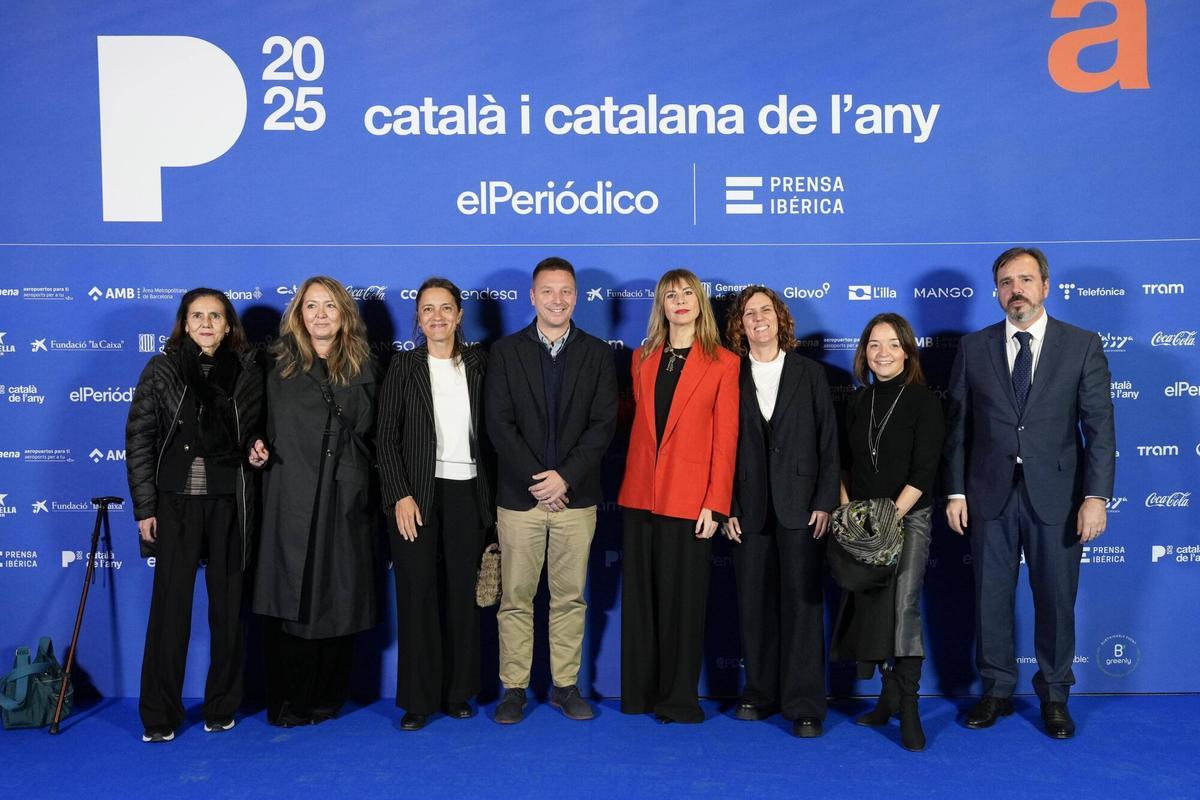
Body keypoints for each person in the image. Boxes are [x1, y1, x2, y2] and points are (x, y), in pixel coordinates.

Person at [944, 247, 1115, 739]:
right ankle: (996, 690)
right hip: (987, 494)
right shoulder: (974, 348)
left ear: (1045, 286)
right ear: (997, 292)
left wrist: (1095, 497)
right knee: (990, 598)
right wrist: (955, 491)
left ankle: (1055, 695)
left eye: (1024, 280)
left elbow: (1099, 428)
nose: (1014, 290)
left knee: (1057, 600)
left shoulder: (1081, 344)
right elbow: (958, 427)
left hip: (1058, 498)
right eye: (1005, 282)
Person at [126, 288, 263, 743]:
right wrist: (145, 508)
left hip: (229, 501)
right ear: (184, 323)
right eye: (197, 316)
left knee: (227, 611)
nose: (206, 323)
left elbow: (255, 430)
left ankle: (222, 705)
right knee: (170, 612)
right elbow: (140, 440)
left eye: (216, 316)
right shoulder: (162, 369)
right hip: (175, 504)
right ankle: (159, 715)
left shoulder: (246, 369)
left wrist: (257, 448)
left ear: (228, 326)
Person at [484, 256, 618, 724]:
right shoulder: (504, 352)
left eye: (565, 291)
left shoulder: (599, 355)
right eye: (548, 291)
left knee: (569, 598)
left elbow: (603, 426)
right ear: (532, 296)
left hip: (576, 500)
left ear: (576, 297)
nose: (557, 300)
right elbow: (499, 426)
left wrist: (566, 478)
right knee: (515, 599)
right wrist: (541, 482)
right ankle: (514, 689)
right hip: (520, 500)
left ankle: (565, 686)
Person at [250, 276, 379, 727]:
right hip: (290, 495)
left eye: (329, 306)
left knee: (337, 596)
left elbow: (383, 435)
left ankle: (328, 696)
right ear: (298, 314)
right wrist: (255, 443)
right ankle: (289, 700)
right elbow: (252, 422)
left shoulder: (367, 366)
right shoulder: (275, 364)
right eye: (311, 306)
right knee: (290, 596)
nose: (320, 314)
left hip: (346, 498)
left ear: (344, 313)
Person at [618, 268, 740, 724]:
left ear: (700, 302)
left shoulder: (724, 362)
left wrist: (716, 501)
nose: (681, 301)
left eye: (688, 293)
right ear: (662, 306)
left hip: (691, 502)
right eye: (672, 295)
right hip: (639, 497)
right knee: (642, 601)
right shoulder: (641, 357)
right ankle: (638, 696)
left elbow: (725, 440)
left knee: (683, 605)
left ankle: (678, 700)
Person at [721, 286, 838, 738]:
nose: (758, 319)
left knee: (803, 608)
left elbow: (829, 442)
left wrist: (825, 500)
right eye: (749, 313)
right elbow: (719, 447)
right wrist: (725, 505)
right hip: (747, 510)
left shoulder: (810, 374)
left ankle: (805, 702)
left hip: (802, 509)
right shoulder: (728, 375)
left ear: (780, 318)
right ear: (740, 325)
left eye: (765, 310)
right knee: (753, 606)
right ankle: (759, 692)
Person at [377, 277, 493, 731]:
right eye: (428, 309)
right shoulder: (403, 367)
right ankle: (419, 700)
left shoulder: (482, 364)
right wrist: (399, 495)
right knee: (417, 594)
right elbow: (384, 437)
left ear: (460, 315)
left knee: (462, 595)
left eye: (446, 308)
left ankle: (459, 692)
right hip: (416, 496)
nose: (438, 317)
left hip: (468, 492)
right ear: (418, 318)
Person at [836, 312, 944, 751]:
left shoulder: (925, 402)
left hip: (909, 516)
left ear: (907, 352)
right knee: (874, 611)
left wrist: (889, 519)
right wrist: (850, 516)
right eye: (874, 344)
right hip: (862, 521)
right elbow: (843, 463)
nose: (883, 352)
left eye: (893, 344)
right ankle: (887, 699)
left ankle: (911, 706)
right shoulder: (857, 402)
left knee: (903, 607)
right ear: (864, 352)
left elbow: (924, 471)